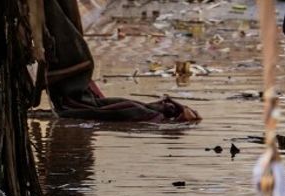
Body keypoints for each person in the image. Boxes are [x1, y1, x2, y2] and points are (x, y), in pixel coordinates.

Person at [43, 0, 200, 122]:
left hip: (70, 79)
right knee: (88, 103)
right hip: (72, 78)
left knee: (85, 104)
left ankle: (163, 112)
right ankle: (164, 112)